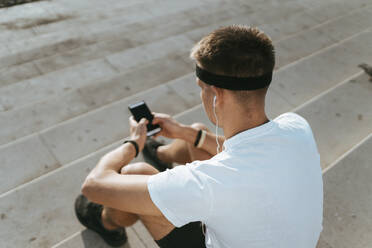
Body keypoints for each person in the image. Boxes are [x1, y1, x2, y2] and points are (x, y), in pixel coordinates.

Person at [75, 25, 323, 248]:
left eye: (200, 88)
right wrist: (182, 132)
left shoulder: (208, 184)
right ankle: (161, 153)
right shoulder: (297, 126)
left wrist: (132, 144)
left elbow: (93, 186)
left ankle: (105, 223)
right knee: (199, 134)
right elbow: (248, 155)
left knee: (134, 174)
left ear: (216, 95)